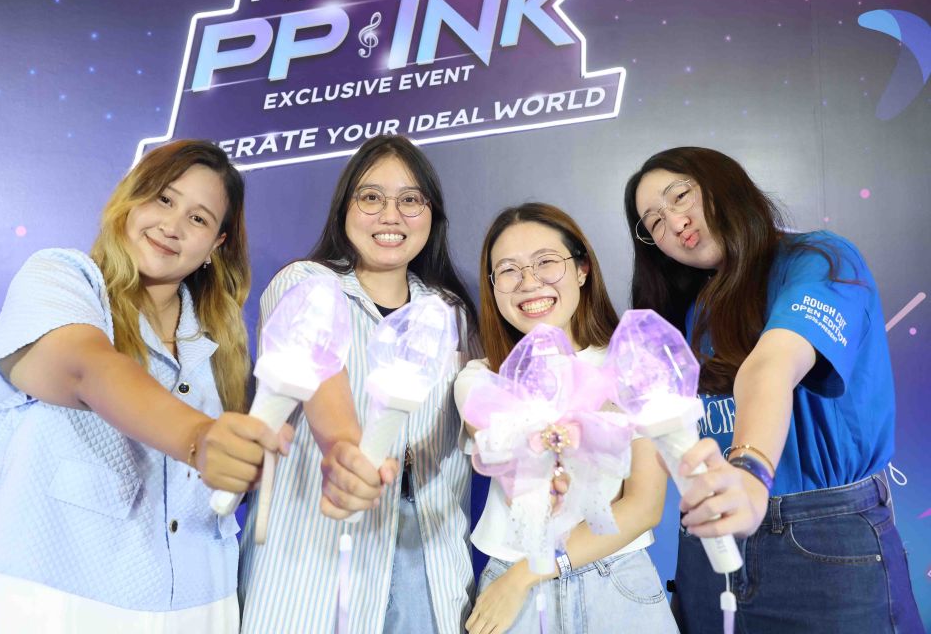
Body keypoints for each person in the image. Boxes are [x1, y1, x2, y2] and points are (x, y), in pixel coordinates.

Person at [0, 140, 297, 633]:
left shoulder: (222, 344)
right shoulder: (63, 279)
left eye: (198, 218)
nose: (173, 226)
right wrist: (199, 438)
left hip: (201, 604)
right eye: (164, 199)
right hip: (57, 597)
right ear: (131, 199)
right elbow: (86, 369)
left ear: (216, 245)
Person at [624, 146, 922, 633]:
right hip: (709, 548)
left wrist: (749, 473)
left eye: (680, 196)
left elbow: (770, 367)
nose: (674, 223)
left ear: (724, 184)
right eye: (654, 222)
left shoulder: (818, 261)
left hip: (822, 538)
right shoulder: (689, 310)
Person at [238, 135, 479, 634]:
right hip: (311, 556)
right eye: (371, 197)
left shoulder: (452, 315)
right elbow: (320, 372)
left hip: (426, 560)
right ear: (344, 209)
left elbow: (480, 423)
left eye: (410, 200)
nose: (391, 215)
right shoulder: (305, 284)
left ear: (431, 215)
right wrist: (346, 450)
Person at [455, 203, 677, 634]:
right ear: (493, 287)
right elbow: (532, 483)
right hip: (513, 596)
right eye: (509, 270)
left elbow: (644, 507)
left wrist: (527, 575)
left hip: (614, 583)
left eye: (545, 262)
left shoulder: (637, 364)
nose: (529, 282)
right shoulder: (480, 379)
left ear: (581, 269)